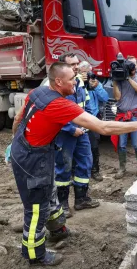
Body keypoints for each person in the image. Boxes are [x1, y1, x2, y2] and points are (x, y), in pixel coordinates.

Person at [10, 61, 137, 266]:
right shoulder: (59, 104)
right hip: (32, 159)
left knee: (49, 191)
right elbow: (103, 127)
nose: (76, 82)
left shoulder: (37, 92)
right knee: (36, 208)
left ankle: (58, 229)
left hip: (28, 150)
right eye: (72, 79)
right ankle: (34, 253)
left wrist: (14, 143)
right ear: (58, 81)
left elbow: (18, 118)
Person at [54, 54, 100, 220]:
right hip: (65, 134)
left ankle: (81, 199)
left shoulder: (79, 82)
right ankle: (62, 204)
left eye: (77, 63)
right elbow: (55, 110)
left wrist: (85, 125)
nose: (76, 66)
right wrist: (71, 128)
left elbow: (86, 105)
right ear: (62, 66)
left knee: (85, 162)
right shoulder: (54, 84)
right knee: (63, 167)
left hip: (82, 132)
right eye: (72, 64)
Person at [112, 55, 137, 179]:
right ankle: (122, 168)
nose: (132, 66)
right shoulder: (120, 80)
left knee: (136, 144)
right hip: (122, 115)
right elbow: (117, 97)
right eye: (129, 64)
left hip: (134, 115)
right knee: (121, 144)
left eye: (134, 64)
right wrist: (115, 81)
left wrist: (127, 77)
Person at [77, 61, 109, 182]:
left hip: (93, 119)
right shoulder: (76, 83)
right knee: (78, 147)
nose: (86, 75)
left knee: (94, 146)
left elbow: (105, 98)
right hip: (79, 119)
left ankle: (95, 170)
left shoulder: (94, 83)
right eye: (83, 72)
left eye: (87, 72)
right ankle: (78, 171)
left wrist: (96, 87)